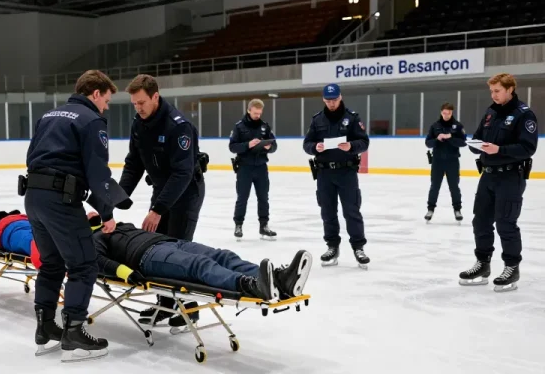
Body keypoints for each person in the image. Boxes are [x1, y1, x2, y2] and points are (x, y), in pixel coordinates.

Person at [24, 70, 119, 362]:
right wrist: (107, 212)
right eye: (106, 100)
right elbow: (97, 171)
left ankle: (45, 327)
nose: (106, 107)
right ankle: (74, 331)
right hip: (59, 200)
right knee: (83, 265)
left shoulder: (49, 116)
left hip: (34, 197)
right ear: (95, 93)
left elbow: (32, 157)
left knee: (51, 263)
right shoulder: (92, 121)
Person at [118, 74, 207, 326]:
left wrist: (157, 210)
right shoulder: (139, 123)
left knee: (177, 250)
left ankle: (189, 309)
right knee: (157, 248)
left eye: (142, 102)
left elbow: (182, 173)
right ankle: (166, 305)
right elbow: (133, 164)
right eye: (134, 103)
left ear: (155, 96)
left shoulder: (178, 126)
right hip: (162, 191)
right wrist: (118, 197)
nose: (138, 108)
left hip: (186, 192)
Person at [87, 211, 312, 303]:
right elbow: (99, 263)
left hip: (167, 242)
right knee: (199, 265)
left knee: (222, 255)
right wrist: (127, 274)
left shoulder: (113, 223)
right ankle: (251, 285)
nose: (89, 211)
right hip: (147, 257)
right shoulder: (90, 240)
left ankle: (280, 279)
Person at [459, 73, 538, 292]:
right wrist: (475, 144)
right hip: (488, 175)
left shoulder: (524, 114)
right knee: (481, 221)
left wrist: (499, 150)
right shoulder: (490, 113)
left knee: (505, 223)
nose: (493, 95)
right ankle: (483, 264)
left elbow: (528, 148)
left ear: (510, 89)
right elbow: (477, 137)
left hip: (511, 177)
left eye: (497, 91)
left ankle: (512, 266)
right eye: (491, 91)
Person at [303, 83, 370, 269]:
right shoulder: (317, 120)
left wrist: (352, 146)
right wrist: (314, 148)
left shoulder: (352, 118)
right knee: (328, 212)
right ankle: (332, 247)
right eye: (328, 100)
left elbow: (364, 142)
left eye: (334, 99)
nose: (331, 103)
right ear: (323, 99)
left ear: (340, 97)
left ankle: (358, 248)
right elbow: (307, 143)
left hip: (346, 173)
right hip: (324, 174)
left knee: (352, 211)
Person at [229, 98, 278, 240]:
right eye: (255, 113)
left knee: (263, 198)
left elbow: (274, 145)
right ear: (249, 110)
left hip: (261, 168)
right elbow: (232, 147)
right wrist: (248, 145)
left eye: (259, 113)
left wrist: (270, 147)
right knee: (242, 198)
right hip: (245, 168)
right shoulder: (239, 127)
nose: (257, 115)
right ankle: (238, 225)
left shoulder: (265, 126)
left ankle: (264, 226)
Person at [424, 102, 466, 222]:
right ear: (441, 112)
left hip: (452, 161)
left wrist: (450, 138)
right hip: (437, 161)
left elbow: (463, 142)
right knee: (434, 186)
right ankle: (430, 209)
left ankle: (457, 210)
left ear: (452, 112)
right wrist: (437, 139)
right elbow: (428, 143)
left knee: (454, 187)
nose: (446, 115)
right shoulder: (435, 126)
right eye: (444, 113)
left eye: (448, 113)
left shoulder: (457, 126)